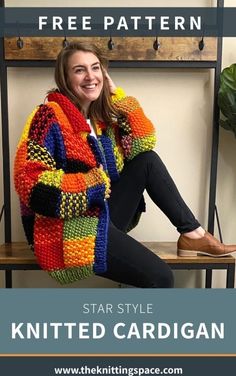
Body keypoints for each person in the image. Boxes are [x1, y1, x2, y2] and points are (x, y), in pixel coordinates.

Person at [14, 41, 236, 287]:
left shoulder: (100, 120)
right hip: (66, 229)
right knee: (161, 278)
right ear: (65, 78)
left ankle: (193, 233)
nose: (91, 76)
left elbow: (144, 144)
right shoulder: (48, 116)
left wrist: (116, 95)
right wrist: (91, 184)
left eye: (95, 68)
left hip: (103, 215)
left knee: (147, 160)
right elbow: (30, 183)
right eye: (80, 70)